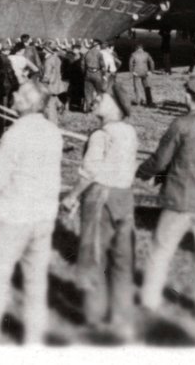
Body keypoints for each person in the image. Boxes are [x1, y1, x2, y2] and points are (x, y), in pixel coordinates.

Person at [0, 81, 63, 345]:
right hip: (44, 214)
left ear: (25, 102)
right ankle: (35, 343)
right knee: (36, 284)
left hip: (13, 215)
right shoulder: (52, 131)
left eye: (18, 93)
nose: (12, 94)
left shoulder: (15, 133)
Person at [136, 75, 195, 317]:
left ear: (189, 96)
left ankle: (150, 301)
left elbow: (160, 160)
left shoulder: (181, 124)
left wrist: (141, 172)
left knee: (161, 249)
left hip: (181, 198)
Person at [61, 82, 138, 339]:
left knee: (93, 256)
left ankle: (94, 319)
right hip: (124, 198)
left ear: (114, 106)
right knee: (122, 260)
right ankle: (122, 318)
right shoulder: (129, 132)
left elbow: (89, 172)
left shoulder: (100, 135)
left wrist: (72, 197)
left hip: (100, 197)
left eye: (101, 98)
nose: (95, 100)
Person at [40, 41, 68, 122]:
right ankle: (60, 105)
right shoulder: (57, 58)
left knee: (50, 102)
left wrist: (41, 81)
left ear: (47, 50)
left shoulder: (48, 61)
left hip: (50, 83)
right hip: (56, 82)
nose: (43, 51)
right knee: (53, 97)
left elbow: (47, 74)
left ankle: (52, 120)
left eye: (44, 49)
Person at [127, 42, 154, 108]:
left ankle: (138, 101)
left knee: (137, 87)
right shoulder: (146, 54)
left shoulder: (133, 54)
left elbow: (130, 63)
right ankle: (149, 101)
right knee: (147, 87)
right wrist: (151, 71)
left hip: (137, 72)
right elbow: (152, 62)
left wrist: (132, 71)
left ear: (136, 48)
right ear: (142, 48)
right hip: (145, 72)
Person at [82, 41, 107, 111]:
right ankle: (98, 107)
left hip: (88, 73)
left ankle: (88, 108)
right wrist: (104, 75)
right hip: (97, 74)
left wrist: (85, 73)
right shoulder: (99, 54)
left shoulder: (86, 53)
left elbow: (82, 65)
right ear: (97, 46)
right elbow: (103, 66)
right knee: (99, 91)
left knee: (88, 92)